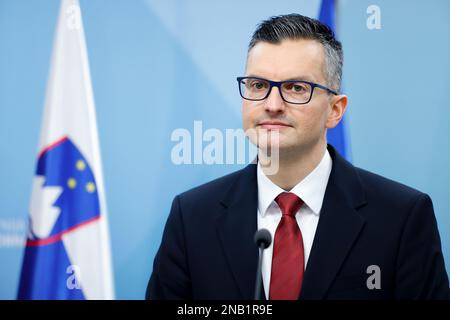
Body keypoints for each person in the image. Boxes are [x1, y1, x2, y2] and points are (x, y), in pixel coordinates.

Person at [146, 14, 449, 300]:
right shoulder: (192, 217)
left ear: (335, 110)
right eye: (258, 86)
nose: (272, 104)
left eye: (295, 88)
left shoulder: (402, 217)